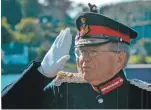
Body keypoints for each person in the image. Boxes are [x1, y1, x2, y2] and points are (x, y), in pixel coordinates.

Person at [2, 3, 151, 109]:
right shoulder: (63, 91)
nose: (84, 58)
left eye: (93, 51)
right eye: (81, 51)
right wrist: (41, 74)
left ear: (119, 58)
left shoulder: (144, 98)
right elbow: (6, 104)